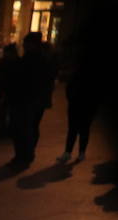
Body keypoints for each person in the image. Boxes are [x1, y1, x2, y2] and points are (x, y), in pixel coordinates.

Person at [7, 32, 55, 169]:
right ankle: (24, 155)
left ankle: (25, 156)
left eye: (26, 43)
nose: (24, 46)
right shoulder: (34, 59)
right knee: (26, 128)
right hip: (28, 100)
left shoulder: (37, 60)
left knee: (25, 129)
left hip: (28, 101)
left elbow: (37, 82)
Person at [58, 56, 99, 164]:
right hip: (84, 105)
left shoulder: (77, 75)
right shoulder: (92, 76)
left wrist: (71, 99)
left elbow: (69, 89)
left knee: (74, 129)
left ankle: (70, 152)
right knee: (82, 129)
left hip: (78, 105)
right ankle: (79, 152)